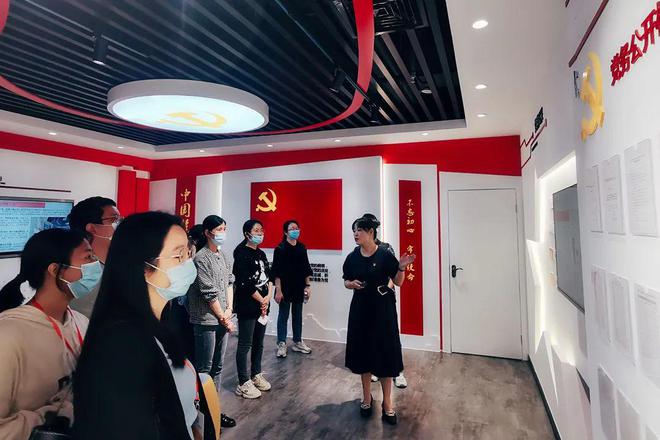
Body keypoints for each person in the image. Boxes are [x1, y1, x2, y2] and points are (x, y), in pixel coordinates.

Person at [73, 212, 203, 440]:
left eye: (188, 253)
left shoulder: (163, 321)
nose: (187, 264)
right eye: (178, 256)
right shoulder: (120, 342)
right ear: (143, 267)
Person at [0, 229, 98, 439]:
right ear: (55, 270)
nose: (95, 265)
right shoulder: (8, 336)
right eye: (88, 257)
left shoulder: (80, 322)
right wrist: (51, 418)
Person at [342, 215, 415, 425]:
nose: (355, 234)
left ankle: (387, 403)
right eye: (354, 230)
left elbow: (398, 282)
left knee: (385, 355)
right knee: (363, 354)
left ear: (371, 232)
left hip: (383, 310)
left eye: (359, 230)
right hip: (360, 310)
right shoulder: (353, 257)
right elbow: (346, 280)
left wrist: (401, 267)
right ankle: (366, 398)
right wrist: (351, 284)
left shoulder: (384, 254)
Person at [187, 215, 236, 428]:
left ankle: (214, 410)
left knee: (218, 367)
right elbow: (209, 293)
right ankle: (198, 414)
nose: (222, 233)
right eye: (219, 229)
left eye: (224, 228)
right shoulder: (201, 258)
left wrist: (229, 310)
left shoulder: (223, 255)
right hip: (206, 319)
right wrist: (223, 317)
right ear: (208, 232)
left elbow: (229, 283)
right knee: (204, 368)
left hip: (223, 317)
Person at [361, 214, 409, 389]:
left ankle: (398, 373)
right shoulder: (360, 251)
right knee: (372, 337)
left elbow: (393, 275)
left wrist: (385, 290)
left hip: (385, 300)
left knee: (391, 337)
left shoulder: (386, 249)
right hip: (367, 303)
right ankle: (376, 369)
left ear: (372, 230)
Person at [233, 219, 273, 399]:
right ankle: (243, 381)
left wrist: (268, 297)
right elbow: (244, 283)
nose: (260, 233)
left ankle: (256, 374)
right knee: (245, 343)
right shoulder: (241, 253)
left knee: (259, 342)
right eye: (256, 230)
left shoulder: (261, 253)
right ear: (246, 234)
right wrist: (261, 299)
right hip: (248, 306)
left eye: (261, 230)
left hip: (263, 305)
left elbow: (269, 276)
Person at [67, 196, 121, 318]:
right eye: (114, 219)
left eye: (120, 219)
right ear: (92, 228)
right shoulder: (77, 270)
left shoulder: (121, 262)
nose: (119, 224)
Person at [272, 220, 313, 358]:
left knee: (297, 315)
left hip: (298, 287)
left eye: (297, 228)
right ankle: (281, 343)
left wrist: (307, 286)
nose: (295, 230)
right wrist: (278, 290)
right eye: (292, 228)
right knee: (283, 315)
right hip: (284, 287)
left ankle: (297, 341)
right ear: (285, 232)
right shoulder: (280, 248)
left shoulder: (301, 247)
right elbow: (277, 272)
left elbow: (306, 268)